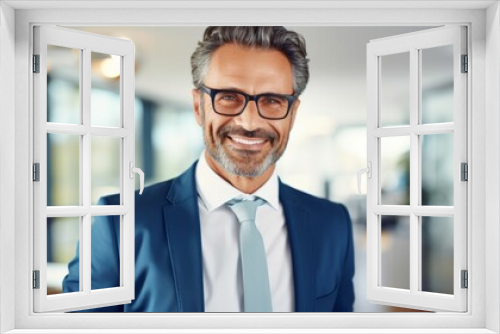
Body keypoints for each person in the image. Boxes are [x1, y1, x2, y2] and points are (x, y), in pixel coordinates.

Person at [63, 26, 355, 312]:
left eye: (272, 100)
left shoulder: (332, 224)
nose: (250, 122)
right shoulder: (119, 223)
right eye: (228, 97)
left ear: (292, 114)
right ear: (198, 107)